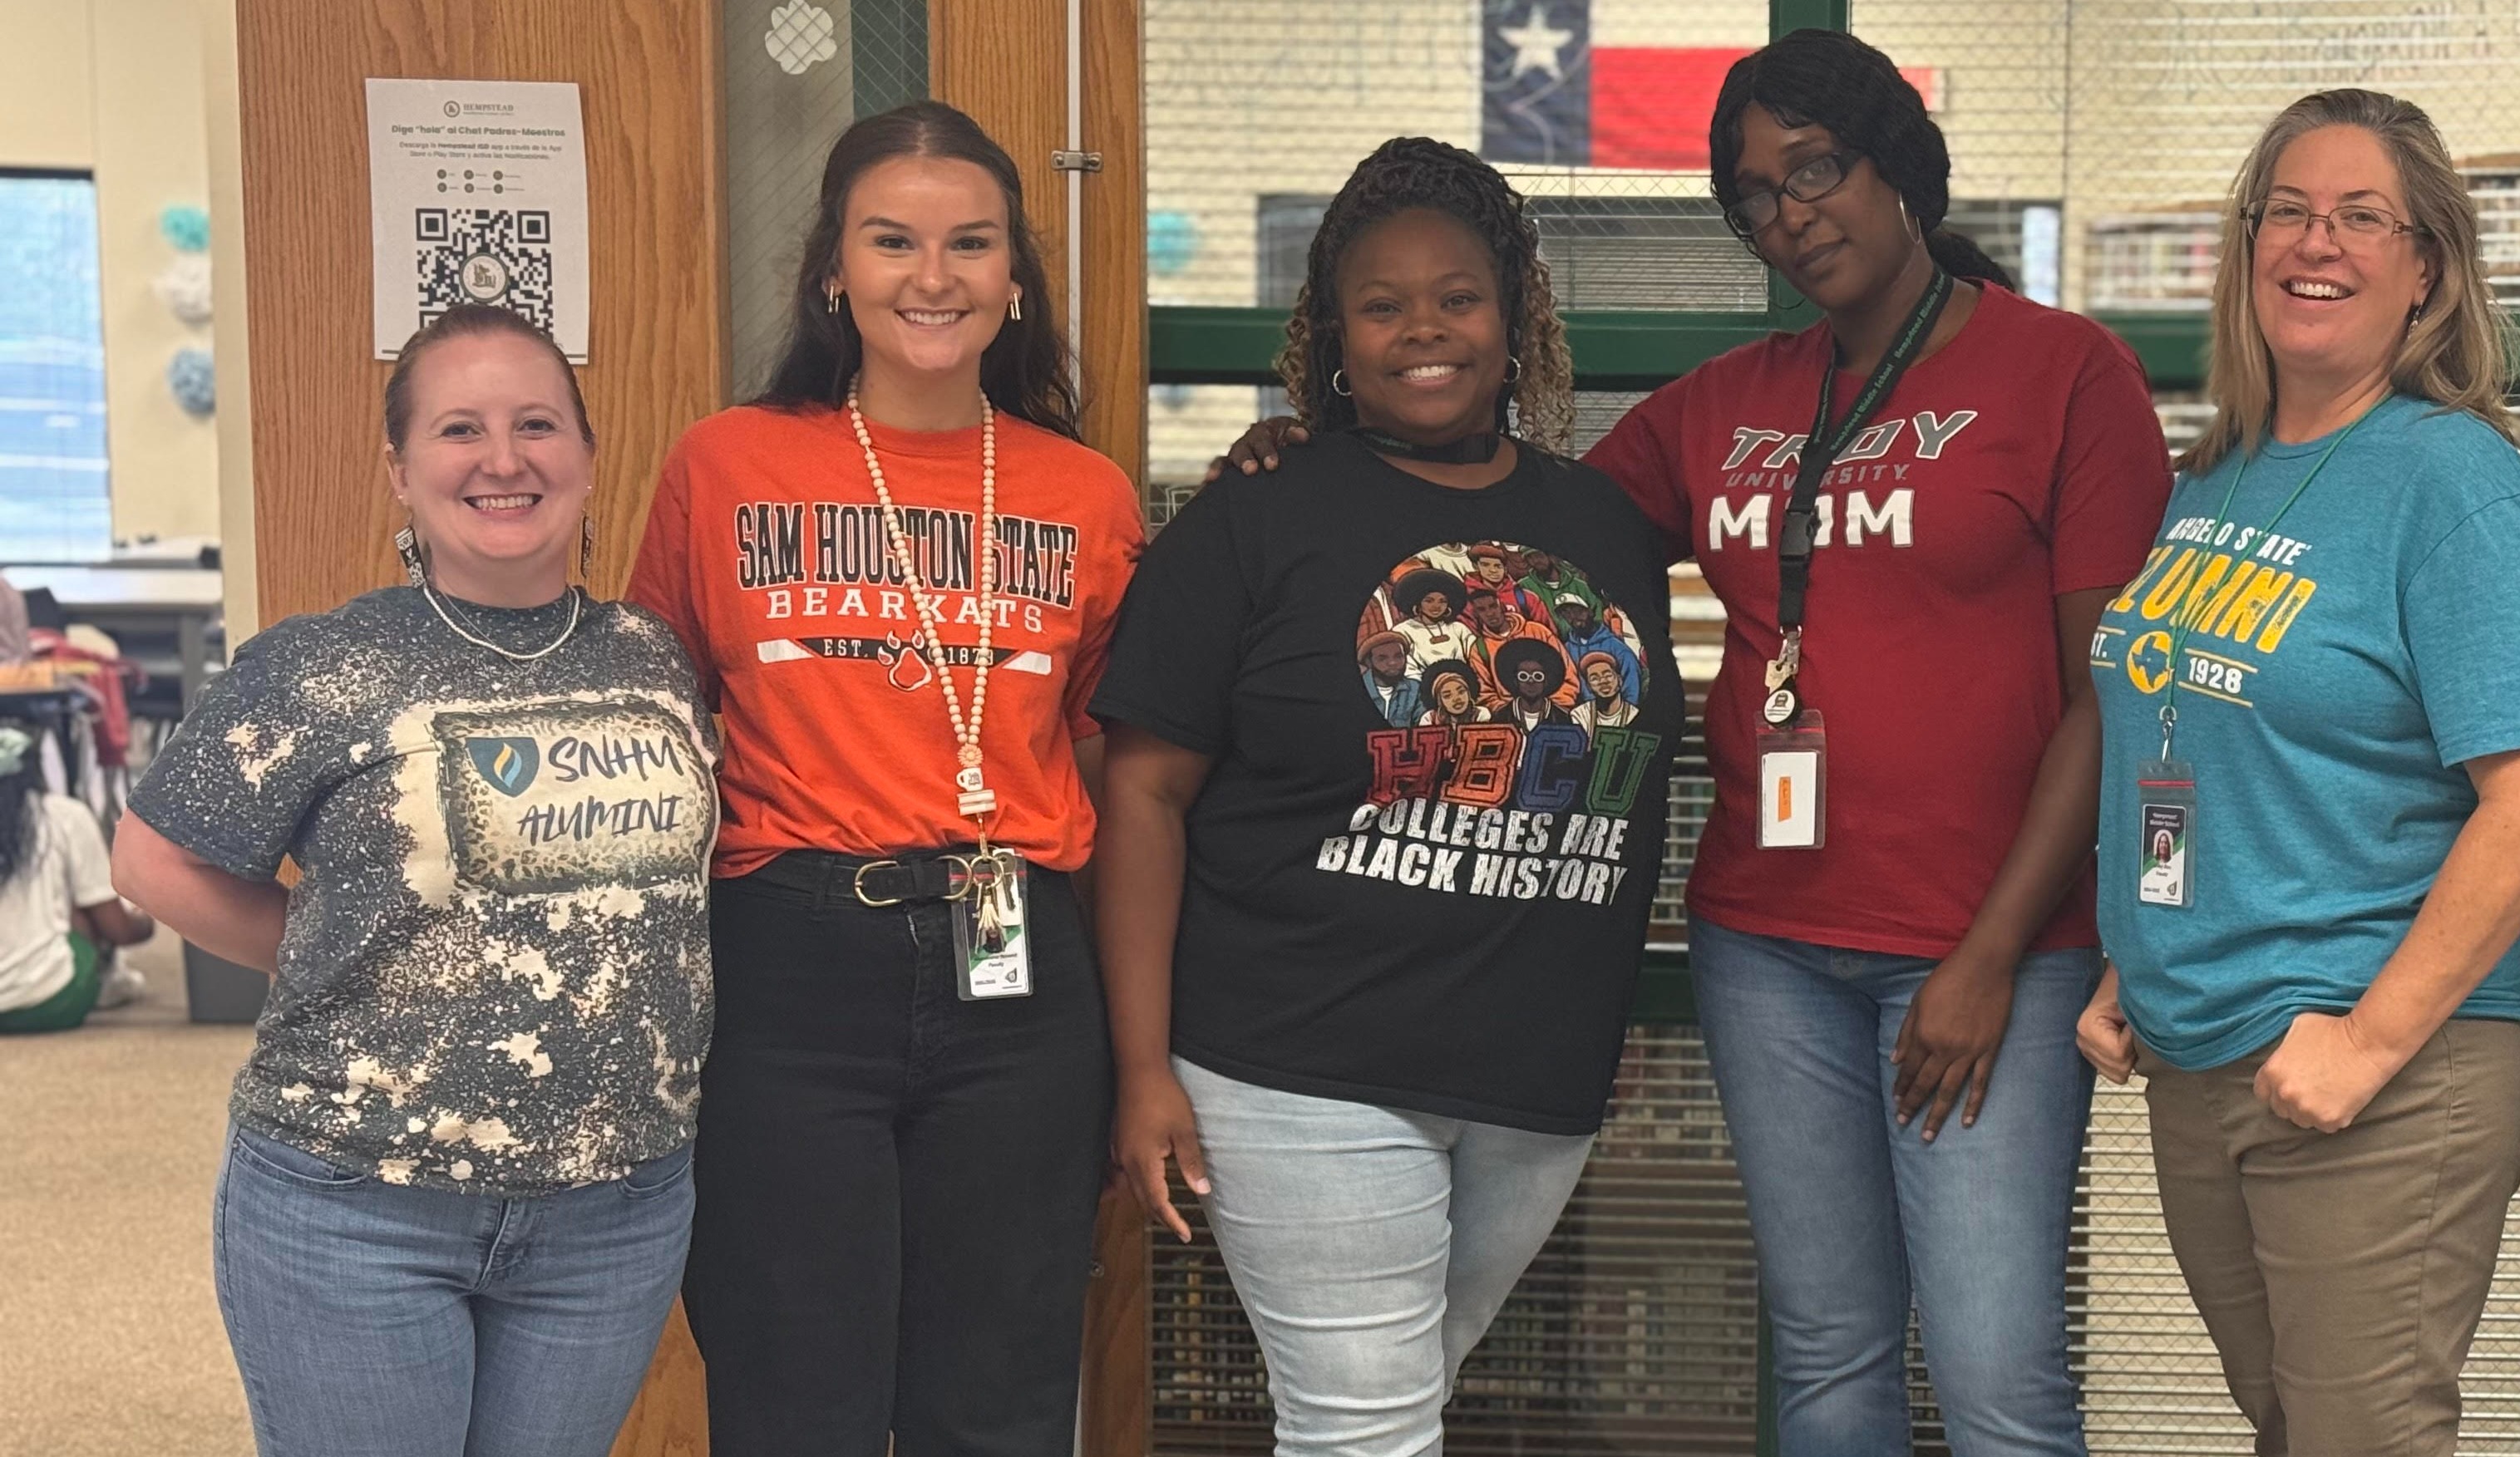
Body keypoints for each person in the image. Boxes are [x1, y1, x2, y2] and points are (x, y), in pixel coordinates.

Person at [1213, 34, 2170, 1454]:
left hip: (1993, 954)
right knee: (1828, 1354)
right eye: (1754, 196)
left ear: (1894, 161)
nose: (1790, 214)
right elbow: (1511, 539)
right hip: (1766, 943)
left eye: (1816, 169)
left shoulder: (2064, 375)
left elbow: (2117, 689)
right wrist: (1314, 456)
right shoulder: (1726, 405)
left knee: (1996, 1374)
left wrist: (1985, 956)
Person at [1097, 135, 1680, 1456]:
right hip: (1303, 1060)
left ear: (1515, 314)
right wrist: (1141, 1068)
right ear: (1333, 334)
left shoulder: (1603, 525)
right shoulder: (1251, 518)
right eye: (1383, 302)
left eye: (1460, 296)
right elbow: (1141, 794)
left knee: (1395, 1401)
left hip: (1536, 1072)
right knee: (1366, 1425)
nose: (1426, 328)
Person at [2065, 88, 2520, 1456]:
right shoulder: (2220, 476)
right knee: (2296, 1430)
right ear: (2245, 249)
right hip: (2198, 1050)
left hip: (2384, 1059)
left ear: (2426, 267)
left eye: (2364, 216)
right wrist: (2142, 943)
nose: (2320, 241)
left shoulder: (2449, 477)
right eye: (2288, 211)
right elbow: (2186, 739)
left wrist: (2363, 1043)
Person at [108, 304, 716, 1457]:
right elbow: (152, 858)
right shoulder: (324, 664)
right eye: (459, 430)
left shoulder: (658, 659)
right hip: (358, 1202)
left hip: (613, 1206)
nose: (503, 459)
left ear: (586, 456)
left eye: (537, 424)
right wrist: (329, 944)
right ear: (400, 470)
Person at [626, 101, 1142, 1457]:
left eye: (970, 242)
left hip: (1019, 963)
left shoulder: (1084, 492)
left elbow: (1113, 757)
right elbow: (654, 729)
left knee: (1003, 1393)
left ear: (1013, 277)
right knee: (797, 1395)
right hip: (789, 962)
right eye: (893, 240)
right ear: (831, 271)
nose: (933, 275)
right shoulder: (724, 463)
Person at [0, 716, 155, 1033]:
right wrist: (146, 919)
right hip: (52, 1002)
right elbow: (118, 930)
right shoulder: (64, 816)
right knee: (78, 906)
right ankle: (109, 981)